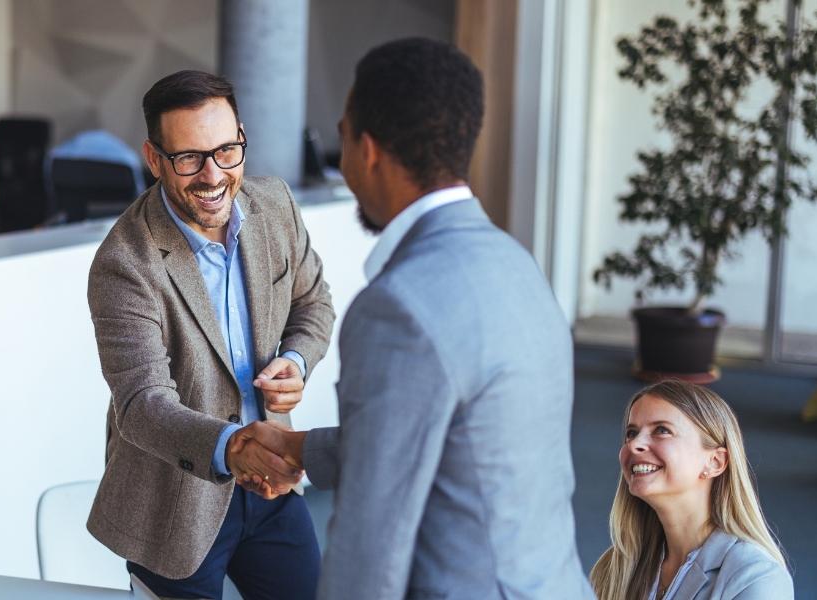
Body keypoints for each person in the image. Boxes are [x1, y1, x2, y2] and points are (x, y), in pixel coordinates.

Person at [232, 38, 594, 598]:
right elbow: (455, 443)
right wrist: (301, 448)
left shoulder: (396, 308)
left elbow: (370, 543)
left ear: (369, 150)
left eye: (344, 135)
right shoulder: (516, 262)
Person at [84, 69, 335, 598]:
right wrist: (234, 444)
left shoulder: (276, 207)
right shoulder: (124, 262)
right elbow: (142, 404)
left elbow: (313, 302)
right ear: (155, 160)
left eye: (226, 150)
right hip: (174, 504)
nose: (213, 174)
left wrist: (295, 360)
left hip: (272, 481)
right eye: (189, 158)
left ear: (241, 136)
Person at [589, 381, 792, 599]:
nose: (634, 444)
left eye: (661, 430)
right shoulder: (614, 568)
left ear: (714, 462)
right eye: (631, 433)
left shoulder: (757, 578)